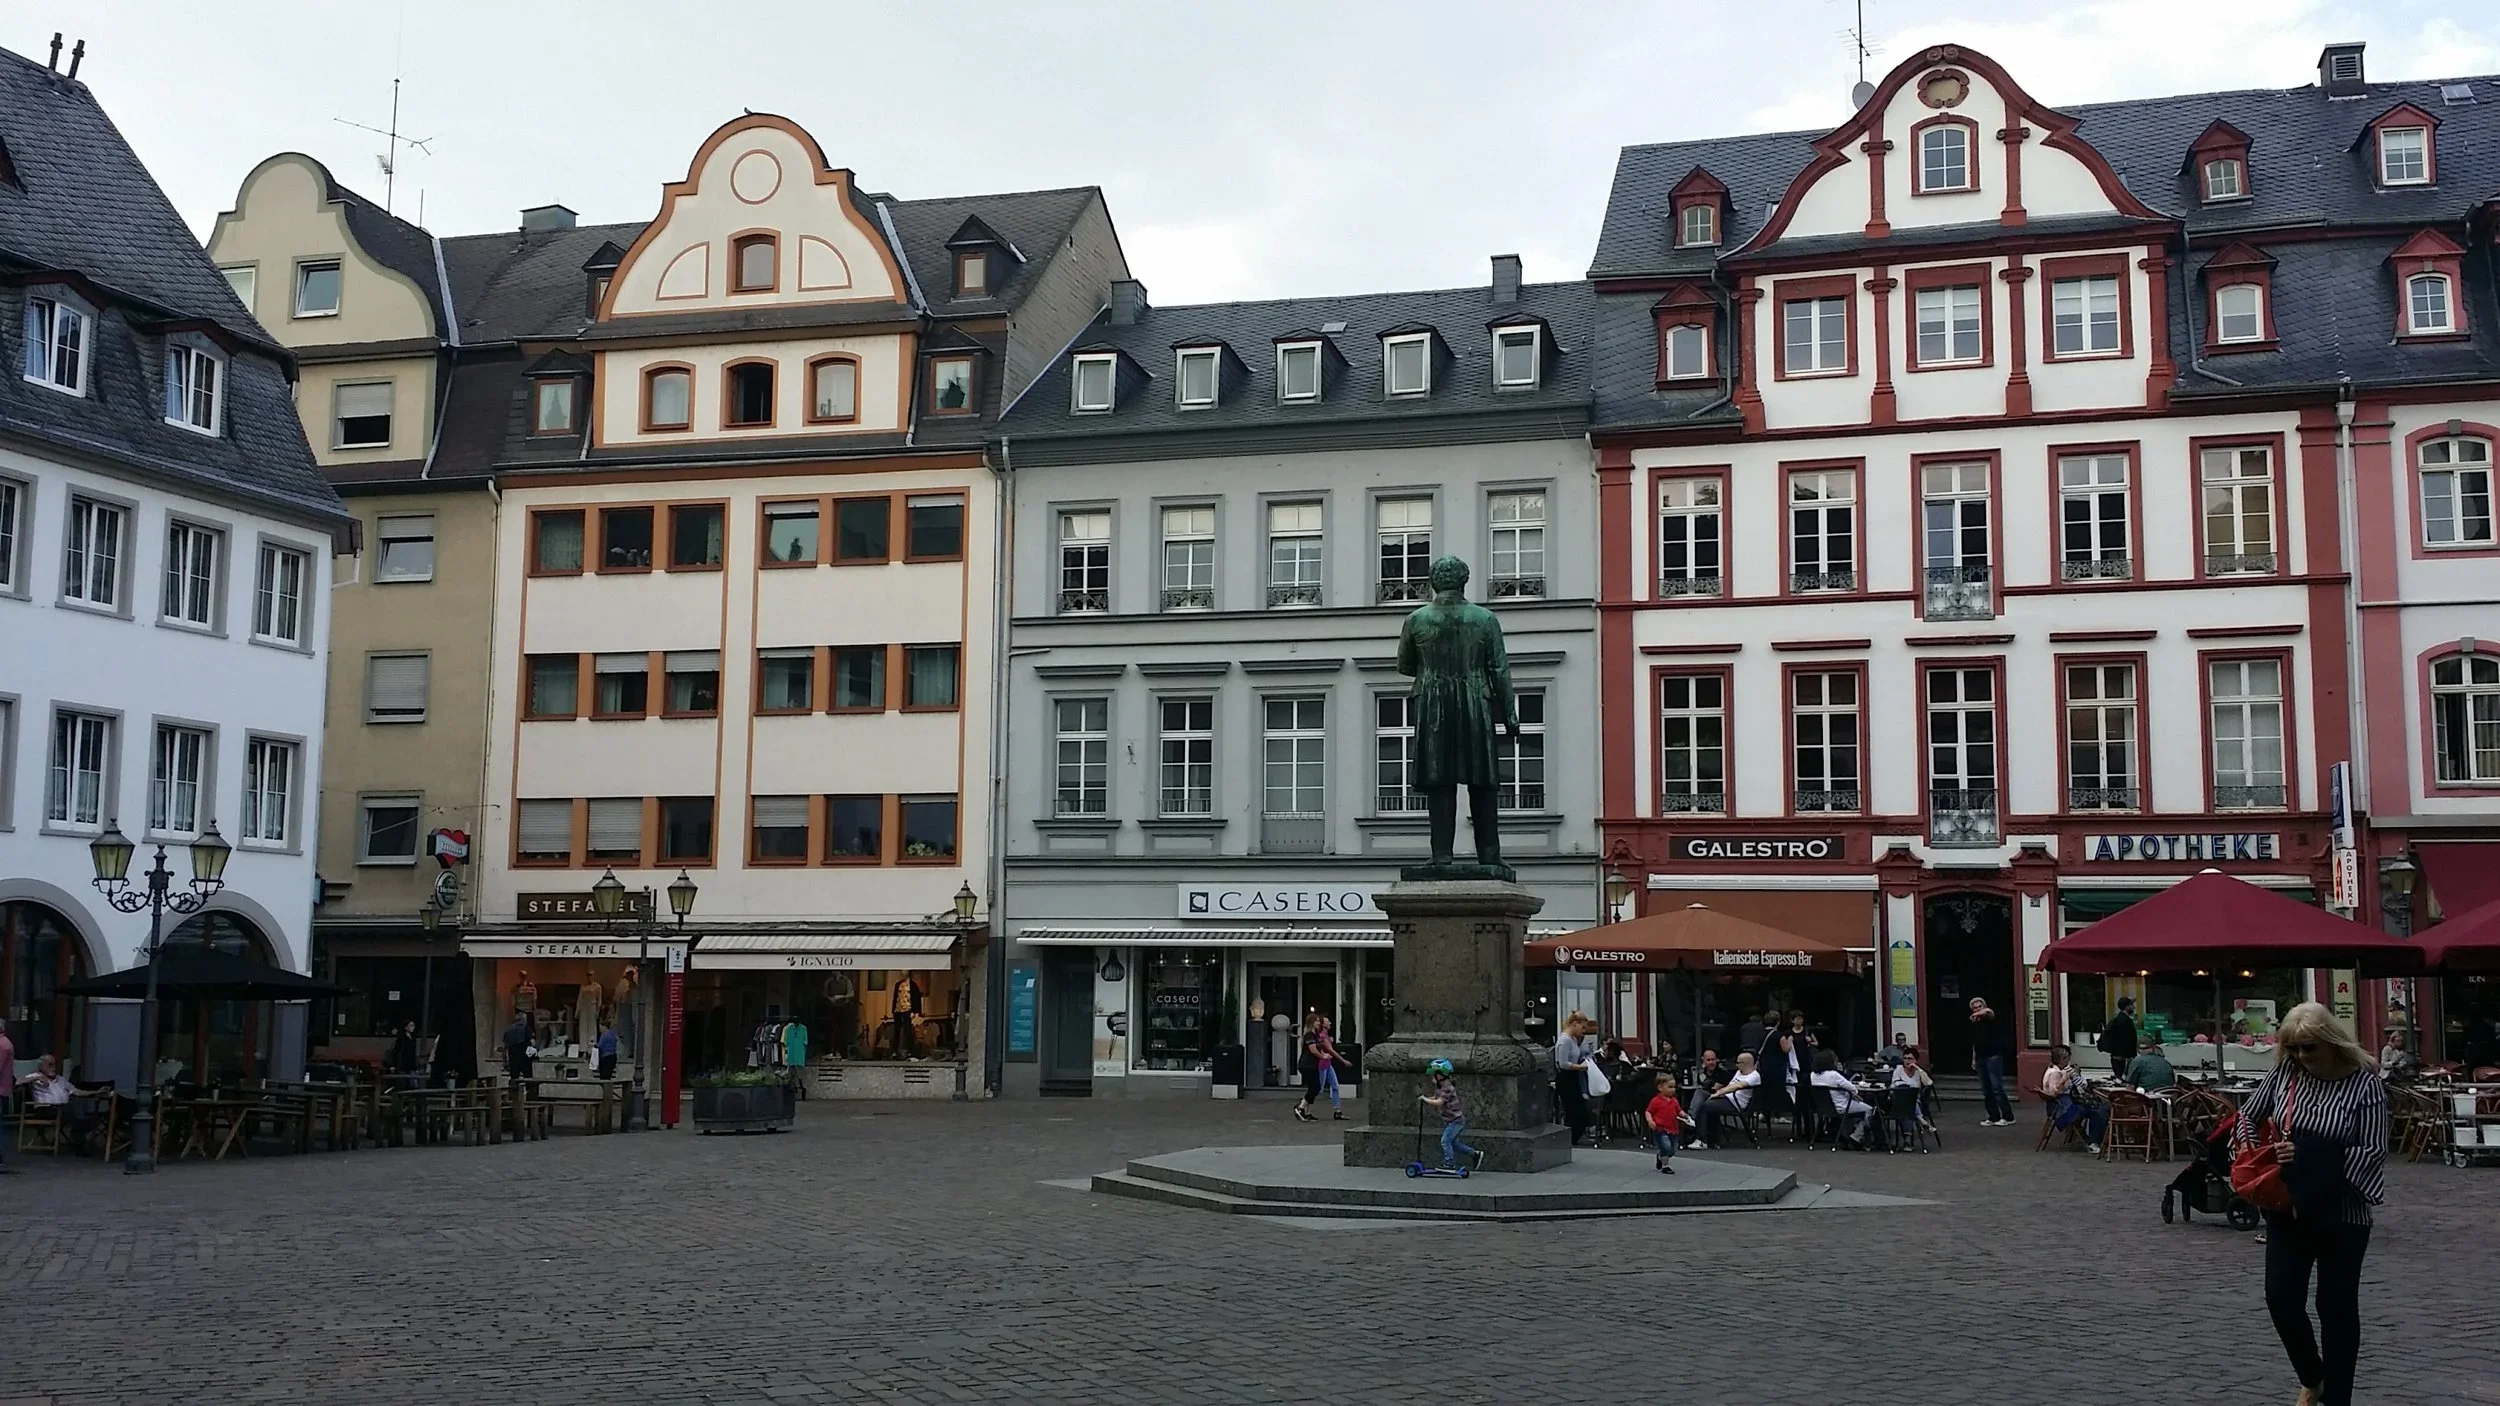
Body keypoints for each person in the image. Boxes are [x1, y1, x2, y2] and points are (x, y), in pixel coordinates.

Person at [2233, 1002, 2386, 1406]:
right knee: (2281, 1297)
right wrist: (2256, 1152)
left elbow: (2371, 1152)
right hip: (2289, 1206)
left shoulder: (2365, 1084)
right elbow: (2247, 1115)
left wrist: (2308, 1153)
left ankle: (2339, 1398)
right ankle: (2313, 1375)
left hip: (2343, 1212)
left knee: (2335, 1307)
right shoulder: (2287, 1074)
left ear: (2331, 1043)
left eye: (2310, 1049)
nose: (2302, 1057)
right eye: (2295, 1048)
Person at [2041, 1045, 2108, 1154]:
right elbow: (2054, 1092)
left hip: (2061, 1105)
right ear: (2062, 1059)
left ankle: (2092, 1140)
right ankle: (2092, 1142)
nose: (2069, 1060)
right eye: (2067, 1058)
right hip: (2061, 1108)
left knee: (2095, 1109)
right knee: (2096, 1111)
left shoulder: (2056, 1070)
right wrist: (2065, 1079)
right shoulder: (2055, 1073)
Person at [1419, 1058, 1480, 1172]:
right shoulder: (1441, 1087)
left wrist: (1426, 1100)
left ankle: (1449, 1163)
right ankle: (1474, 1154)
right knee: (1454, 1144)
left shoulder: (1447, 1087)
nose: (1432, 1078)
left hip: (1456, 1121)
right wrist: (1426, 1098)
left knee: (1445, 1141)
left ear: (1440, 1075)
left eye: (1434, 1075)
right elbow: (1437, 1098)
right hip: (1451, 1121)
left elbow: (1439, 1102)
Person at [1691, 1051, 1761, 1150]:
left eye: (1738, 1063)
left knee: (1706, 1105)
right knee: (1701, 1093)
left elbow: (1738, 1085)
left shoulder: (1754, 1076)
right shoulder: (1739, 1072)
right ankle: (1691, 1118)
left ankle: (1702, 1140)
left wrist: (1720, 1092)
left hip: (1735, 1103)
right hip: (1726, 1098)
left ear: (1746, 1064)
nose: (1736, 1065)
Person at [1810, 1051, 1877, 1147]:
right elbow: (1852, 1088)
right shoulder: (1833, 1074)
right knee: (1871, 1110)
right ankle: (1856, 1136)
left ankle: (1845, 1134)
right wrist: (1852, 1094)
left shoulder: (1813, 1075)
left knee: (1853, 1112)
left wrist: (1847, 1093)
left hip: (1825, 1107)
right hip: (1842, 1106)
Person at [1969, 996, 2016, 1126]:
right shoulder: (1975, 1023)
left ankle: (2008, 1116)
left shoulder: (1991, 1018)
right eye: (1974, 1008)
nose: (1977, 1010)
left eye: (1979, 1007)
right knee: (1986, 1089)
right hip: (1981, 1057)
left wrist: (1979, 1013)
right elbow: (1975, 1043)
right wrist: (1974, 1059)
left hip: (1993, 1056)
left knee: (1997, 1087)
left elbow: (1989, 1012)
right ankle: (1993, 1116)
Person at [1294, 1014, 1349, 1122]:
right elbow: (1313, 1050)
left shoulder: (1315, 1035)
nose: (1318, 1023)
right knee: (1316, 1088)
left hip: (1313, 1065)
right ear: (1311, 1023)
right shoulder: (1309, 1035)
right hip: (1307, 1065)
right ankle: (1300, 1107)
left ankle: (1307, 1112)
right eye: (1316, 1021)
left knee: (1314, 1088)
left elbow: (1320, 1048)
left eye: (1319, 1021)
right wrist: (1323, 1056)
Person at [1553, 1013, 1595, 1146]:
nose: (1583, 1031)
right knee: (1573, 1110)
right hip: (1566, 1078)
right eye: (1582, 1027)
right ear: (1575, 1024)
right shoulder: (1564, 1040)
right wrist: (1581, 1067)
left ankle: (1573, 1137)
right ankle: (1570, 1139)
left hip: (1573, 1077)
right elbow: (1562, 1063)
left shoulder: (1572, 1040)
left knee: (1578, 1110)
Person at [1646, 1078, 1683, 1174]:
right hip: (1660, 1128)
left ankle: (1660, 1157)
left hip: (1673, 1128)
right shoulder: (1655, 1101)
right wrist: (1650, 1121)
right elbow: (1648, 1111)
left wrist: (1684, 1115)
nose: (1672, 1090)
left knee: (1672, 1149)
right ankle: (1665, 1166)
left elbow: (1679, 1110)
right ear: (1660, 1088)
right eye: (1670, 1087)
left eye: (1674, 1087)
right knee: (1666, 1147)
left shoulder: (1674, 1101)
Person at [2097, 996, 2140, 1074]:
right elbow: (2127, 1040)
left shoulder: (2117, 1020)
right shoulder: (2124, 1022)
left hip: (2118, 1057)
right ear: (2126, 1007)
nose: (2134, 1007)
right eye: (2131, 1005)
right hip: (2123, 1059)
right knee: (2123, 1080)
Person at [502, 1011, 534, 1083]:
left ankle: (513, 1093)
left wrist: (504, 1061)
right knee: (528, 1080)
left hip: (513, 1057)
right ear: (524, 1019)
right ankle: (529, 1093)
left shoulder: (508, 1030)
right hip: (525, 1057)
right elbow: (532, 1043)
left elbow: (505, 1048)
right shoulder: (526, 1028)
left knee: (514, 1078)